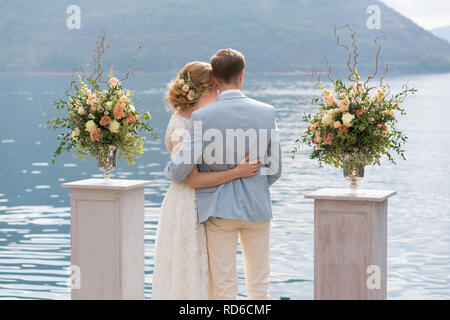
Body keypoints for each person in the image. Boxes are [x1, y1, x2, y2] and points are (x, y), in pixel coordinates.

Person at [165, 49, 282, 300]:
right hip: (257, 208)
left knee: (225, 288)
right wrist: (253, 183)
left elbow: (178, 172)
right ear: (242, 74)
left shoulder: (202, 116)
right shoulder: (266, 111)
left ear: (215, 79)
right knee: (260, 285)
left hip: (218, 210)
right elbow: (275, 169)